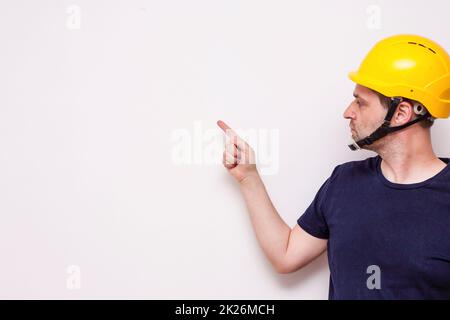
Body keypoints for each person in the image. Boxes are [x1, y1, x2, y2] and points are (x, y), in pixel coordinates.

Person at [217, 34, 450, 299]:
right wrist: (249, 178)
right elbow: (286, 255)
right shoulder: (345, 182)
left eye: (361, 102)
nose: (348, 111)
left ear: (401, 113)